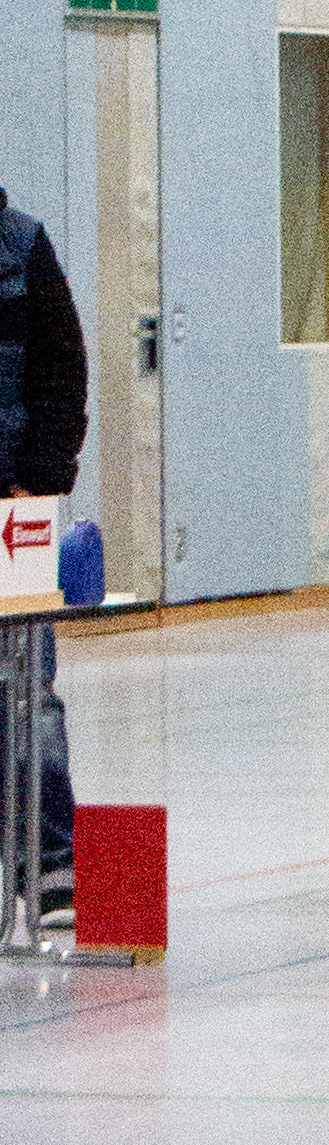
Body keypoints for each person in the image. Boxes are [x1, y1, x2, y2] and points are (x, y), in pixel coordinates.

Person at [0, 182, 89, 920]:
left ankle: (52, 861)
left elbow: (63, 368)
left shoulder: (22, 243)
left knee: (29, 684)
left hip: (11, 503)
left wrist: (42, 475)